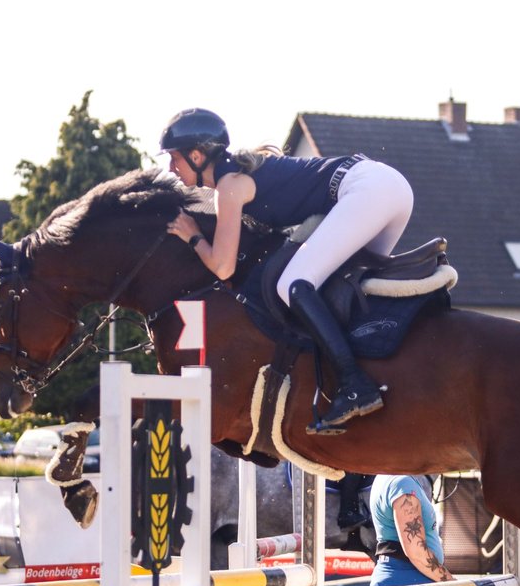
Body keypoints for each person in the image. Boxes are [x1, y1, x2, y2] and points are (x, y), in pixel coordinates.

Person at [160, 108, 415, 434]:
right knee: (341, 290)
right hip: (389, 188)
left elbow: (223, 267)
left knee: (293, 283)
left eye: (174, 158)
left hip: (367, 190)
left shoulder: (230, 186)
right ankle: (377, 378)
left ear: (196, 156)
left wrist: (193, 236)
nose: (171, 169)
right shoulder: (235, 178)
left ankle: (355, 384)